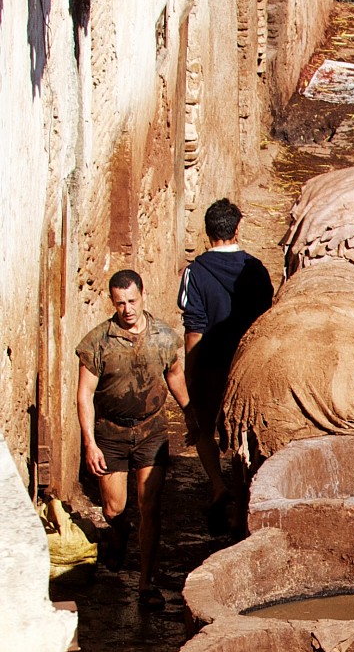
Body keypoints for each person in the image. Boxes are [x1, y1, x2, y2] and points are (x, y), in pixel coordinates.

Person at [76, 270, 191, 609]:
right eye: (120, 303)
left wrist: (189, 412)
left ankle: (146, 582)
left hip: (152, 431)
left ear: (143, 295)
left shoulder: (164, 337)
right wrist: (89, 443)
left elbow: (175, 376)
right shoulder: (97, 342)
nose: (126, 309)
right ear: (112, 303)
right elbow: (84, 395)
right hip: (111, 433)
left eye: (132, 301)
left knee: (150, 507)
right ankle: (119, 530)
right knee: (114, 508)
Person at [179, 198, 274, 534]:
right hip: (248, 366)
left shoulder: (195, 272)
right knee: (243, 432)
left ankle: (218, 486)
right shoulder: (257, 270)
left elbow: (194, 330)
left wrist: (190, 377)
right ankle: (244, 500)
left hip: (211, 365)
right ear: (237, 229)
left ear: (208, 233)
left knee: (203, 430)